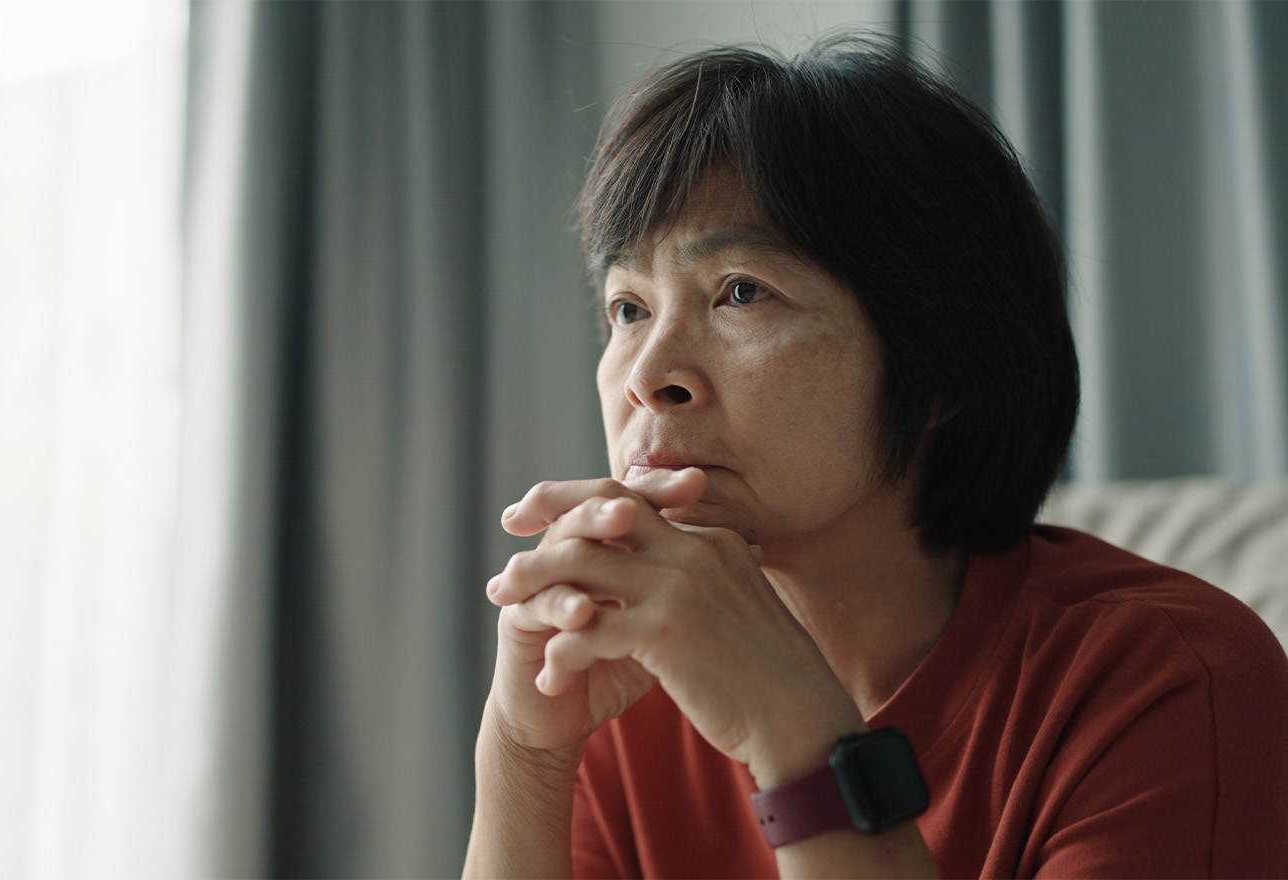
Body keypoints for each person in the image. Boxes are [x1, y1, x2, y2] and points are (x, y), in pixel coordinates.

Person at [462, 36, 1288, 878]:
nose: (647, 376)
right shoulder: (625, 680)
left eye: (741, 291)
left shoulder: (1168, 680)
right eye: (628, 307)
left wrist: (794, 734)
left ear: (940, 369)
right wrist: (524, 746)